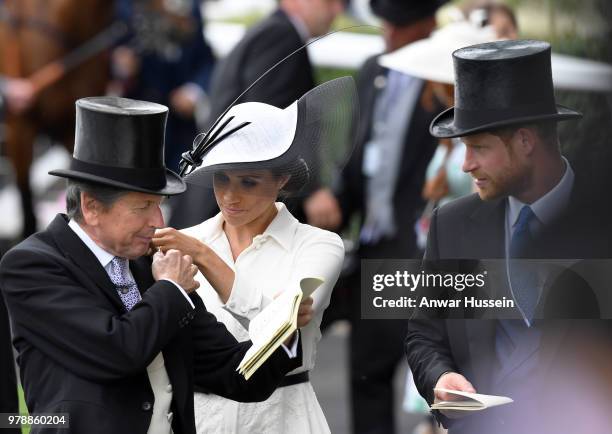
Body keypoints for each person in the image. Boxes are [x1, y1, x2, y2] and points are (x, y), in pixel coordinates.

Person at [0, 97, 310, 434]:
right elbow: (118, 351)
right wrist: (172, 289)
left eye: (159, 205)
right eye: (143, 206)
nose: (158, 221)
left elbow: (236, 373)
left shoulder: (152, 269)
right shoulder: (33, 265)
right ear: (91, 207)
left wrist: (284, 327)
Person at [406, 40, 612, 434]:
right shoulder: (451, 225)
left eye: (478, 148)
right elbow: (424, 333)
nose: (465, 165)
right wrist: (440, 378)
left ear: (525, 141)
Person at [153, 77, 357, 433]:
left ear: (281, 179)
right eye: (222, 179)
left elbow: (280, 332)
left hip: (282, 418)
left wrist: (202, 256)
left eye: (248, 182)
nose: (231, 196)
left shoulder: (318, 245)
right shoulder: (185, 241)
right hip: (199, 419)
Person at [306, 1, 446, 432]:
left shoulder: (444, 77)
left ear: (427, 24)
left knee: (436, 381)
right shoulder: (374, 70)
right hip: (375, 243)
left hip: (422, 247)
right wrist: (334, 198)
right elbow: (356, 153)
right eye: (386, 22)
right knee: (367, 373)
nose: (389, 31)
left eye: (399, 24)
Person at [168, 0, 344, 229]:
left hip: (220, 204)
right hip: (226, 212)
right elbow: (266, 125)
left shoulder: (270, 31)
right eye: (330, 1)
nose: (338, 9)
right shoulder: (281, 36)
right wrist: (310, 190)